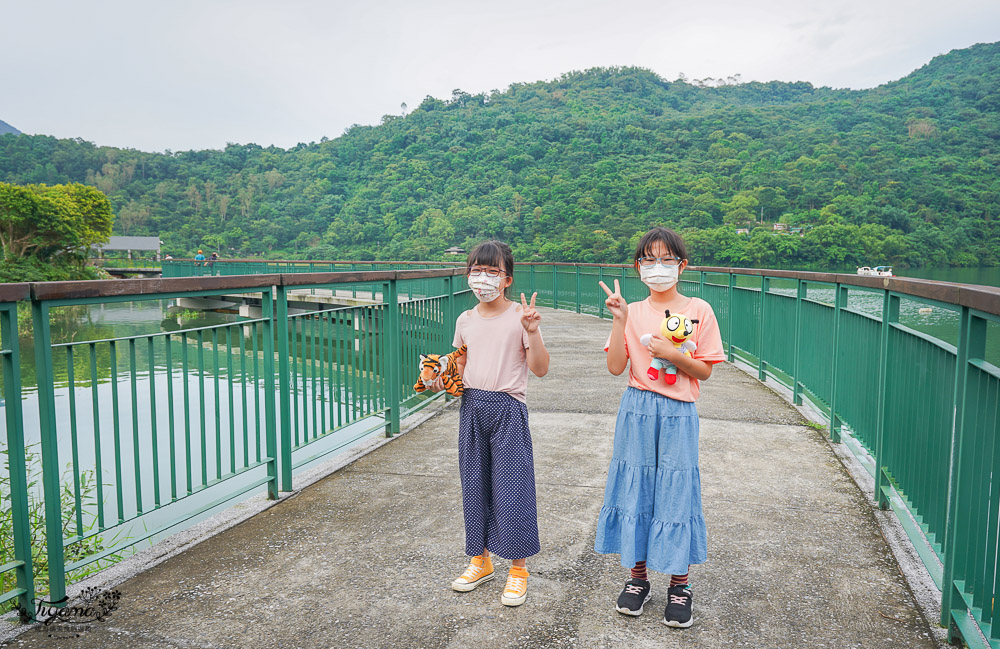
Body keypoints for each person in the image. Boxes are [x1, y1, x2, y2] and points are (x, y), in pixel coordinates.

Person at [595, 226, 725, 628]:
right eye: (649, 259)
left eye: (667, 259)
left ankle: (680, 584)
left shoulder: (699, 309)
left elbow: (703, 370)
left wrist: (672, 353)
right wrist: (618, 320)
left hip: (678, 413)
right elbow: (616, 366)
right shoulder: (631, 310)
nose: (658, 267)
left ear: (682, 266)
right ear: (638, 267)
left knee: (676, 491)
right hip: (636, 409)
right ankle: (638, 579)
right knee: (636, 490)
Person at [437, 239, 550, 607]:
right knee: (474, 486)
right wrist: (442, 377)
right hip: (472, 406)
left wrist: (532, 331)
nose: (482, 278)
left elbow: (541, 369)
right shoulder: (465, 320)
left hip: (507, 409)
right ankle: (480, 559)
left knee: (512, 490)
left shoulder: (520, 315)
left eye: (491, 271)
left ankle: (518, 570)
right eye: (476, 270)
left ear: (507, 279)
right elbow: (462, 365)